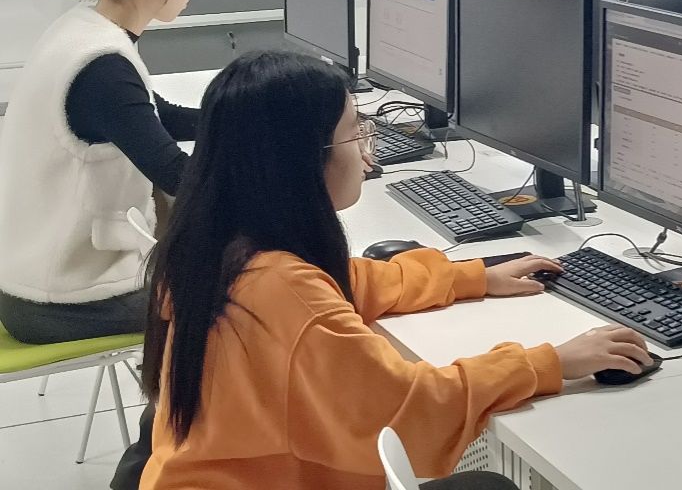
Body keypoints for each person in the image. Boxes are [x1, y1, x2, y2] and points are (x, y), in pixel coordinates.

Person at [139, 49, 651, 489]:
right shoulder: (279, 290)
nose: (367, 154)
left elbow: (346, 282)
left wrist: (473, 276)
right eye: (355, 133)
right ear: (302, 160)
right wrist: (551, 362)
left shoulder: (219, 243)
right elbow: (413, 406)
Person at [0, 0, 207, 344]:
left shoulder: (83, 28)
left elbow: (159, 116)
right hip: (63, 301)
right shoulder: (103, 67)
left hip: (33, 277)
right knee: (242, 295)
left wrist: (251, 119)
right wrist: (278, 176)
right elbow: (178, 174)